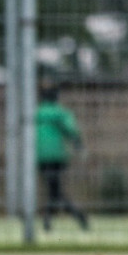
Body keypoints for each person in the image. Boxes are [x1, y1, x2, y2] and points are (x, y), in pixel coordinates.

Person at [36, 83, 89, 231]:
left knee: (53, 190)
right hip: (57, 156)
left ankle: (48, 219)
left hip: (40, 156)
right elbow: (71, 129)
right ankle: (77, 215)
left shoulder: (36, 113)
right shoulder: (60, 113)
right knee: (55, 190)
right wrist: (78, 143)